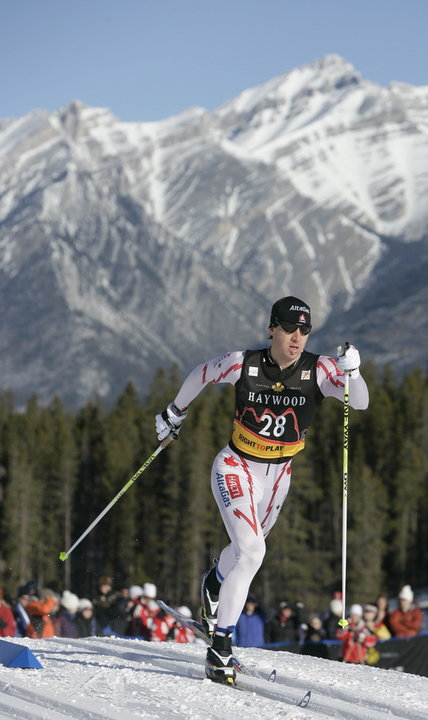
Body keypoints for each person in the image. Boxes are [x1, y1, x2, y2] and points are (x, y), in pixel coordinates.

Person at [155, 295, 369, 685]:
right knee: (253, 551)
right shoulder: (244, 363)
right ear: (272, 328)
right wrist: (175, 411)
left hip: (277, 478)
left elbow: (360, 402)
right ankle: (220, 647)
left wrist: (354, 372)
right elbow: (202, 373)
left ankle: (214, 583)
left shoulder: (319, 369)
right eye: (289, 328)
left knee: (243, 551)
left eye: (305, 330)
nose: (297, 337)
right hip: (236, 465)